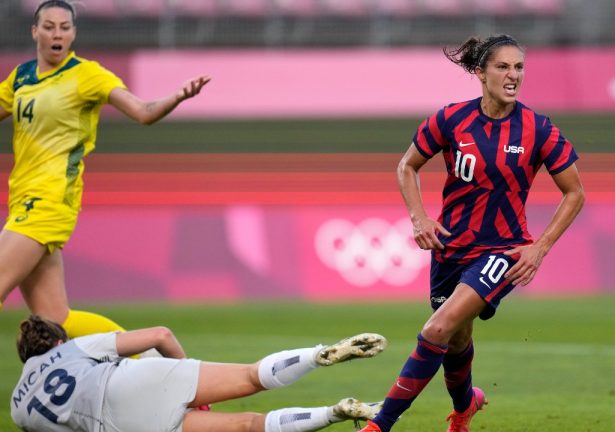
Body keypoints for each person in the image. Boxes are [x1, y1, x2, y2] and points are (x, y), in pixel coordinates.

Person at [358, 35, 585, 432]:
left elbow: (575, 192)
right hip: (449, 249)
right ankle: (466, 405)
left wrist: (539, 248)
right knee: (457, 340)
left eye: (518, 67)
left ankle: (380, 424)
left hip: (502, 251)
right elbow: (406, 166)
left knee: (437, 329)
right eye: (503, 67)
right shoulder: (450, 119)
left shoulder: (538, 128)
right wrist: (419, 218)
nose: (513, 75)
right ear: (480, 73)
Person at [0, 0, 210, 337]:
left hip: (49, 201)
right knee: (57, 321)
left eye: (65, 28)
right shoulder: (21, 77)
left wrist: (177, 97)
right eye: (50, 26)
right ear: (35, 31)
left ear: (73, 34)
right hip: (21, 200)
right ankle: (148, 352)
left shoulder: (87, 75)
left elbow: (143, 111)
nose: (57, 34)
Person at [11, 315, 388, 432]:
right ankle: (318, 354)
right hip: (134, 378)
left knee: (250, 426)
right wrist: (185, 375)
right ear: (57, 341)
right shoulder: (74, 348)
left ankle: (337, 413)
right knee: (252, 376)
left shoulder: (17, 408)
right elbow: (160, 335)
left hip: (121, 425)